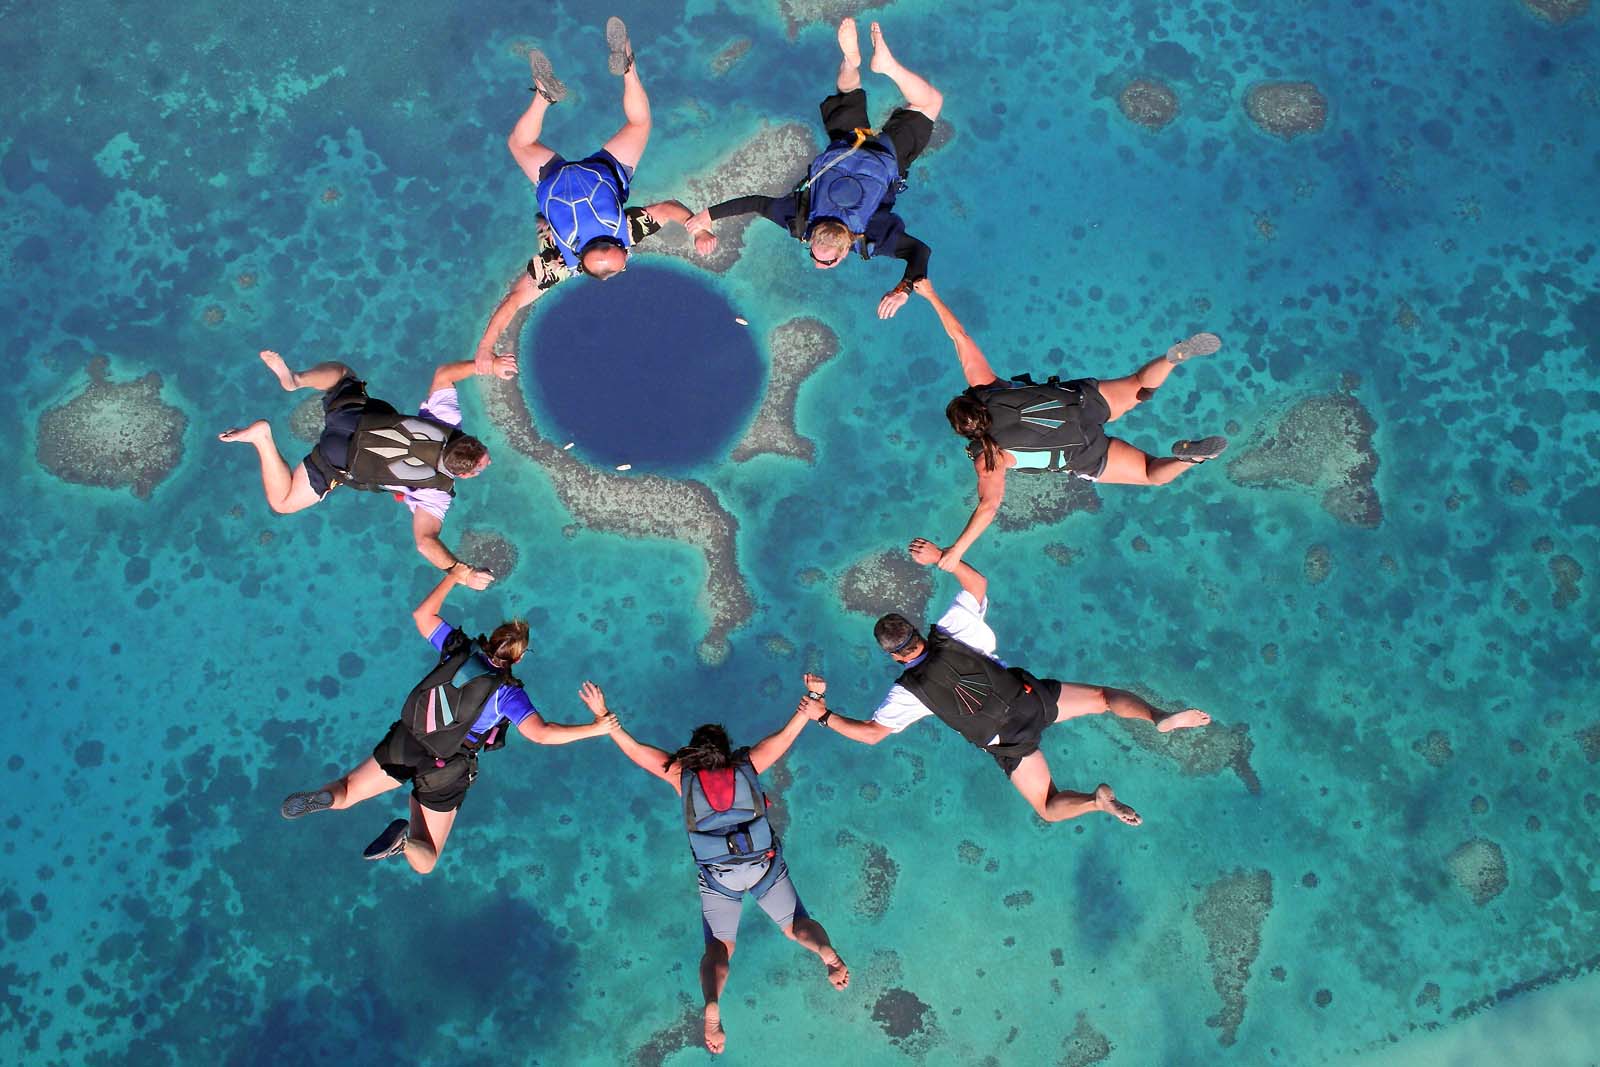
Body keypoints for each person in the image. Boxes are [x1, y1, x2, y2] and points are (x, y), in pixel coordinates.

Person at [799, 537, 1213, 826]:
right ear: (916, 631)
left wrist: (823, 715)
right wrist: (942, 556)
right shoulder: (951, 628)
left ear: (892, 655)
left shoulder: (906, 692)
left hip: (1008, 742)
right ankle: (1157, 716)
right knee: (1106, 698)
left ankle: (1095, 802)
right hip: (1029, 699)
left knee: (1049, 806)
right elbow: (977, 584)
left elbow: (872, 735)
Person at [278, 567, 620, 873]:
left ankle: (326, 799)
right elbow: (542, 734)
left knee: (348, 791)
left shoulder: (458, 647)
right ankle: (405, 843)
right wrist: (596, 727)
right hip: (446, 768)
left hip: (408, 740)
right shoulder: (507, 694)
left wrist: (454, 576)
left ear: (492, 637)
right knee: (427, 857)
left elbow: (422, 614)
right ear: (519, 657)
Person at [578, 681, 849, 1055]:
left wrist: (601, 715)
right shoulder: (750, 763)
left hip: (720, 876)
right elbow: (791, 730)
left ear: (693, 753)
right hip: (762, 866)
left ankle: (712, 1002)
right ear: (725, 749)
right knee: (795, 925)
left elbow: (634, 749)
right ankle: (825, 952)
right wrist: (816, 695)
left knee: (720, 948)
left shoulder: (678, 775)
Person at [917, 279, 1230, 572]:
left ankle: (1190, 458)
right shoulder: (985, 386)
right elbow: (960, 336)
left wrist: (957, 550)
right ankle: (1174, 357)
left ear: (968, 434)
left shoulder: (988, 456)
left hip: (1081, 450)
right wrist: (930, 294)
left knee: (1151, 473)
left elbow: (989, 506)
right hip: (1081, 401)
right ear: (972, 400)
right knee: (1139, 385)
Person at [683, 19, 943, 320]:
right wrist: (708, 215)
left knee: (928, 103)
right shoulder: (798, 220)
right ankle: (852, 61)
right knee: (847, 91)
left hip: (887, 157)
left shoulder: (871, 237)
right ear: (825, 244)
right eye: (825, 262)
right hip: (847, 145)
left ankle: (885, 66)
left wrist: (903, 290)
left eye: (817, 258)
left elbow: (919, 252)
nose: (819, 265)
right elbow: (755, 203)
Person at [219, 349, 513, 585]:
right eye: (480, 467)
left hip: (351, 418)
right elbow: (425, 543)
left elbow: (445, 373)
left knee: (343, 375)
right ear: (461, 474)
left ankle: (295, 379)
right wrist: (460, 572)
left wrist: (490, 364)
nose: (488, 464)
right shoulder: (436, 493)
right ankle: (261, 438)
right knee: (283, 502)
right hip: (339, 458)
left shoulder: (447, 421)